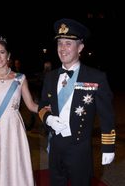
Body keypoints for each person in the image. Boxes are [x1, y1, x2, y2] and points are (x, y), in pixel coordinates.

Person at [38, 18, 116, 186]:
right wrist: (48, 119)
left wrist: (108, 147)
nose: (62, 49)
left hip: (79, 150)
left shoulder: (96, 77)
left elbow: (107, 117)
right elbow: (42, 106)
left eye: (68, 43)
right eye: (60, 43)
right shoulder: (50, 77)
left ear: (80, 47)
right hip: (56, 148)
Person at [0, 35, 38, 186]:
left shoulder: (20, 78)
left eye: (2, 52)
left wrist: (50, 109)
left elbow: (31, 105)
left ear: (8, 55)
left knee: (17, 163)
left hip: (14, 127)